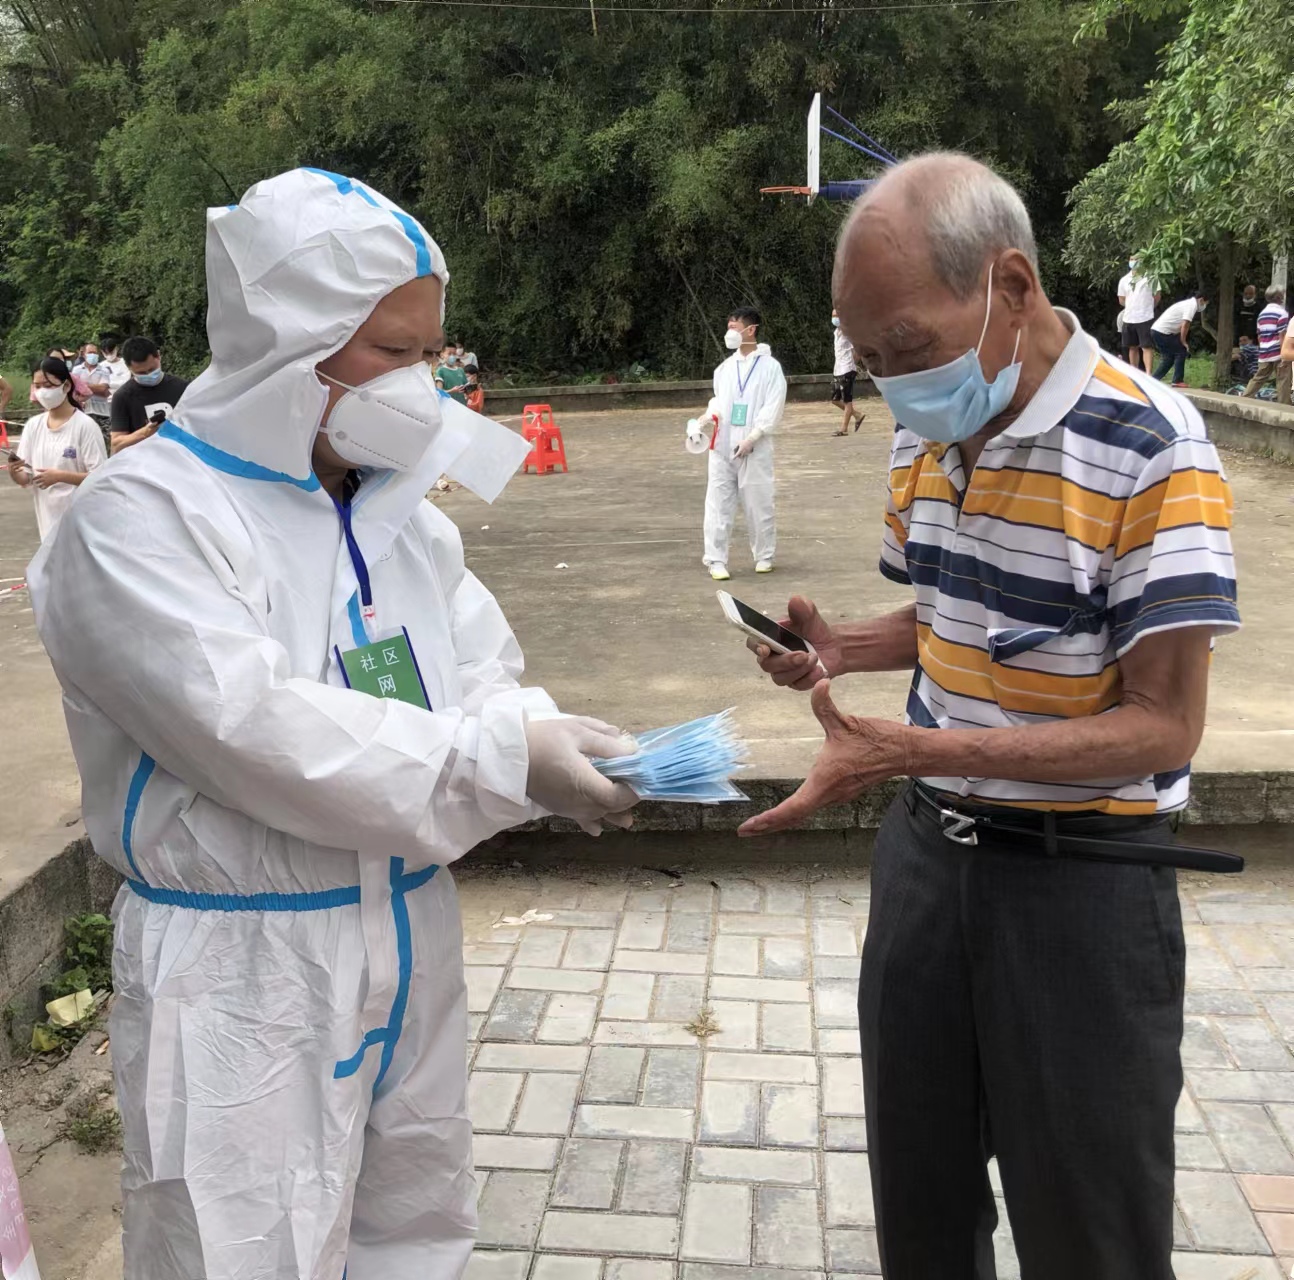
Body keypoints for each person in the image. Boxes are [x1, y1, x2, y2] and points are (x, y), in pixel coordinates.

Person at [27, 167, 638, 1280]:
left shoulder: (397, 517)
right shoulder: (143, 518)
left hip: (406, 926)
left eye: (429, 351)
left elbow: (479, 669)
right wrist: (499, 759)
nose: (421, 382)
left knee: (415, 1231)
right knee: (240, 1250)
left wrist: (539, 734)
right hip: (241, 972)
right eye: (391, 351)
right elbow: (255, 729)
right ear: (286, 346)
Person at [744, 153, 1239, 1280]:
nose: (890, 385)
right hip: (926, 868)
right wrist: (843, 647)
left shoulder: (1151, 445)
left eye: (904, 348)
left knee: (1090, 1232)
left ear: (1010, 286)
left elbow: (1164, 725)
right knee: (918, 1204)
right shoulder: (925, 428)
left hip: (1081, 885)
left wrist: (911, 749)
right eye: (868, 360)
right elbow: (954, 609)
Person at [691, 306, 786, 582]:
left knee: (758, 502)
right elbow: (720, 402)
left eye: (734, 327)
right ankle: (716, 559)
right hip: (723, 446)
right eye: (729, 327)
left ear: (751, 330)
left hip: (754, 447)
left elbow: (772, 407)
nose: (729, 332)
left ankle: (764, 555)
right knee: (717, 504)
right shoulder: (724, 369)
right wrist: (707, 417)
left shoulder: (770, 368)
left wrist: (753, 437)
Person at [6, 355, 106, 542]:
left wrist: (61, 476)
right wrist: (14, 471)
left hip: (82, 524)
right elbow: (26, 477)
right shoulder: (33, 426)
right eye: (37, 386)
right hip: (48, 525)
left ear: (66, 386)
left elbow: (100, 477)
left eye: (48, 385)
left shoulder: (85, 426)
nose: (42, 392)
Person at [108, 336, 189, 454]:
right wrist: (145, 433)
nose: (148, 375)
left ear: (158, 356)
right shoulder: (122, 397)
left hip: (181, 457)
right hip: (143, 461)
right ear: (128, 367)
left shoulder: (183, 387)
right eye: (141, 373)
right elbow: (116, 445)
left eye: (152, 369)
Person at [1243, 286, 1291, 404]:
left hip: (1264, 351)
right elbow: (1282, 335)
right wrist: (1284, 354)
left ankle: (1245, 397)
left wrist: (1262, 350)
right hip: (1278, 350)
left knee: (1259, 377)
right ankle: (1284, 405)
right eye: (1282, 294)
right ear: (1279, 297)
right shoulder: (1282, 313)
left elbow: (1259, 336)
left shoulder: (1262, 314)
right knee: (1283, 378)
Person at [1150, 290, 1207, 385]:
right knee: (1181, 351)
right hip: (1162, 332)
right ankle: (1177, 380)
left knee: (1168, 358)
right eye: (1205, 303)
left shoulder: (1187, 304)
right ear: (1201, 300)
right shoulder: (1191, 305)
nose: (1204, 306)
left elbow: (1181, 325)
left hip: (1158, 331)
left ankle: (1153, 380)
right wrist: (1183, 341)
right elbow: (1185, 325)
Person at [1117, 254, 1160, 373]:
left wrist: (1147, 307)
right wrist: (1132, 306)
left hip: (1145, 317)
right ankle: (1134, 373)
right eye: (1131, 259)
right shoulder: (1124, 280)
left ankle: (1148, 374)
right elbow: (1121, 299)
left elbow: (1157, 296)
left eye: (1136, 259)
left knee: (1147, 347)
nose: (1133, 261)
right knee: (1132, 347)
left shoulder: (1151, 277)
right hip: (1129, 318)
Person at [830, 308, 864, 436]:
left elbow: (858, 349)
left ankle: (843, 429)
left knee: (847, 400)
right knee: (834, 399)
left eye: (836, 315)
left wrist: (854, 362)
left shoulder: (849, 332)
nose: (834, 318)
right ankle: (857, 415)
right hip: (838, 369)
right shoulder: (836, 332)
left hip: (847, 369)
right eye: (833, 316)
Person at [72, 341, 114, 427]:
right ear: (83, 354)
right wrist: (98, 389)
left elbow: (103, 389)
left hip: (102, 412)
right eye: (90, 352)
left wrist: (81, 385)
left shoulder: (104, 370)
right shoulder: (77, 370)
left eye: (95, 353)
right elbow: (74, 389)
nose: (93, 355)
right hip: (83, 411)